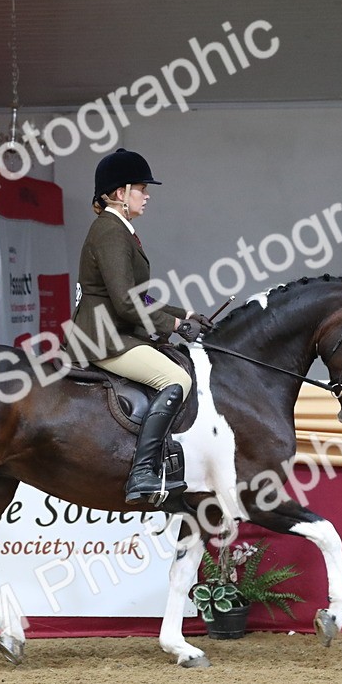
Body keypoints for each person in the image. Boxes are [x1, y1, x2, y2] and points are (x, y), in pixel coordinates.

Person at [65, 148, 214, 505]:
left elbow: (137, 296)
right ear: (120, 193)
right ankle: (144, 471)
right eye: (141, 189)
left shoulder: (118, 229)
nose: (147, 196)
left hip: (115, 330)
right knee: (177, 379)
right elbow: (126, 301)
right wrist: (175, 325)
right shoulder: (111, 231)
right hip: (103, 338)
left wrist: (186, 314)